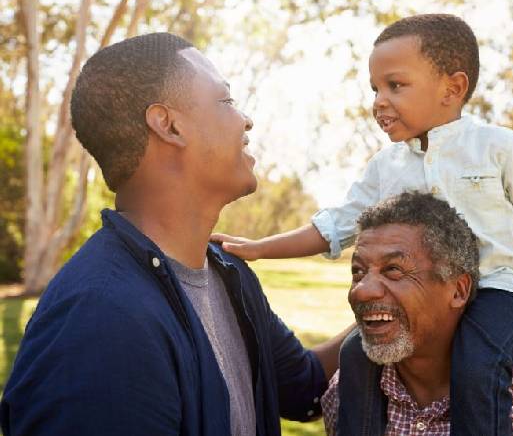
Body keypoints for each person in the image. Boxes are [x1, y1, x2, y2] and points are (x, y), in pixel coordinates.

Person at [211, 14, 513, 434]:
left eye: (396, 85)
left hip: (505, 290)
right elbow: (336, 225)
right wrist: (261, 248)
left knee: (477, 360)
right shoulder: (386, 167)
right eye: (375, 89)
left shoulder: (500, 149)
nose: (379, 100)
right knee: (356, 356)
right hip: (427, 296)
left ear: (453, 88)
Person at [0, 33, 350, 436]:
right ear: (169, 125)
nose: (246, 119)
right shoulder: (100, 318)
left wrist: (395, 310)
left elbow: (303, 388)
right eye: (227, 101)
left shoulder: (228, 272)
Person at [321, 192, 513, 436]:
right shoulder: (345, 393)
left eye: (393, 270)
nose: (361, 291)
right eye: (357, 271)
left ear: (458, 290)